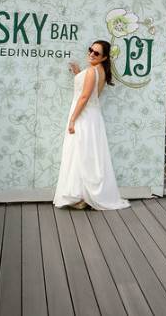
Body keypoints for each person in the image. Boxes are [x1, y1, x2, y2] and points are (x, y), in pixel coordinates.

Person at [53, 40, 130, 210]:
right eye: (90, 50)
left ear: (104, 58)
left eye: (96, 53)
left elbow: (84, 97)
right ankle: (83, 195)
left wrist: (72, 119)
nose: (91, 54)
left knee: (79, 153)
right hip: (93, 116)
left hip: (83, 116)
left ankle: (79, 195)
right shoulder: (100, 71)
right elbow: (92, 91)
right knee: (87, 154)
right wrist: (78, 73)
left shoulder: (91, 71)